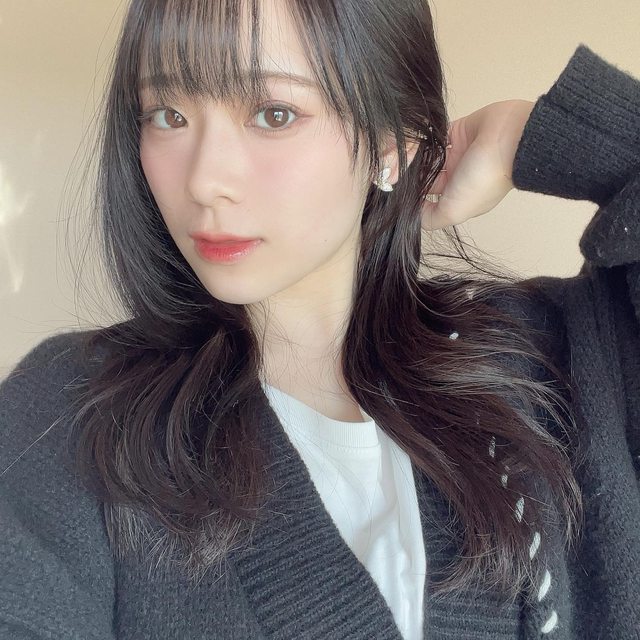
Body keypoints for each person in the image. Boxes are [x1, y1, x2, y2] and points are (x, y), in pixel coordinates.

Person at [0, 0, 638, 639]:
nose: (204, 181)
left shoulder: (547, 366)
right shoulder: (71, 410)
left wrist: (531, 135)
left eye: (273, 114)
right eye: (168, 115)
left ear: (392, 143)